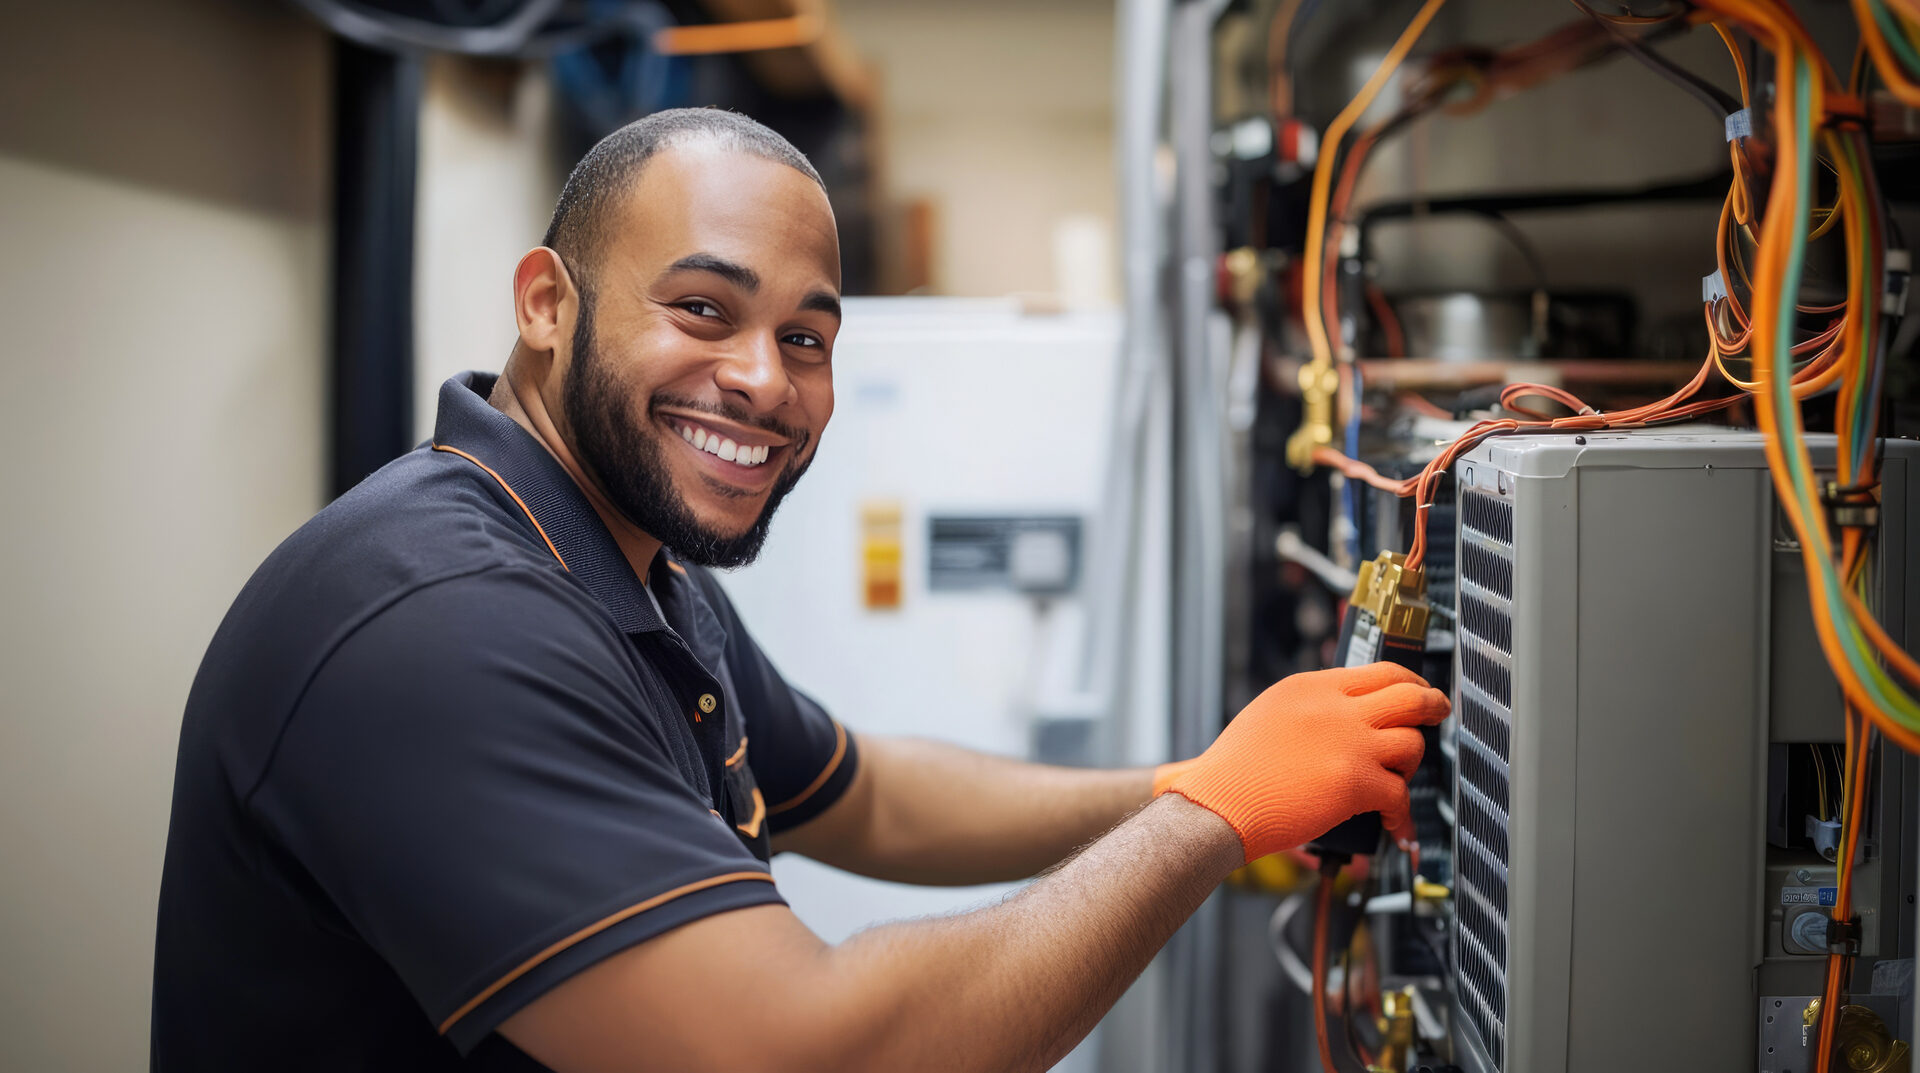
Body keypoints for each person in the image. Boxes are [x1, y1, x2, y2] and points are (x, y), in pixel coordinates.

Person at [152, 108, 1448, 1073]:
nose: (766, 382)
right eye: (704, 308)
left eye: (806, 337)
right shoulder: (439, 620)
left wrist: (1191, 782)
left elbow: (867, 793)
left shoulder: (622, 561)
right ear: (548, 304)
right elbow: (812, 1055)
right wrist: (1213, 818)